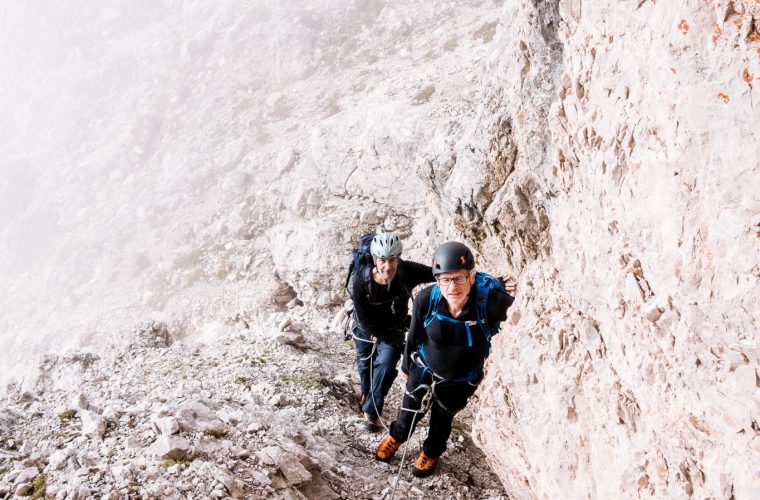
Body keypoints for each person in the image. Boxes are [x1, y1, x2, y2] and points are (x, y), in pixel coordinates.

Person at [374, 241, 516, 477]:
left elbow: (522, 318)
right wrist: (408, 366)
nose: (452, 287)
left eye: (459, 278)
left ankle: (431, 451)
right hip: (425, 368)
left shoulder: (488, 301)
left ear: (471, 277)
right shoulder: (427, 299)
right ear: (437, 281)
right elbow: (415, 334)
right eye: (445, 280)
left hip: (462, 378)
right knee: (408, 410)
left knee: (442, 418)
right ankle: (397, 436)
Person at [350, 232, 435, 432]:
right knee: (365, 366)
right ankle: (366, 393)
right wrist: (383, 335)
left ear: (399, 258)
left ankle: (371, 410)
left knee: (386, 366)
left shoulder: (407, 272)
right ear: (374, 260)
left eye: (392, 260)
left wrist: (480, 279)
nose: (387, 266)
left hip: (393, 329)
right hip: (366, 328)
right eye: (382, 260)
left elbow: (441, 272)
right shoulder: (361, 282)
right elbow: (363, 319)